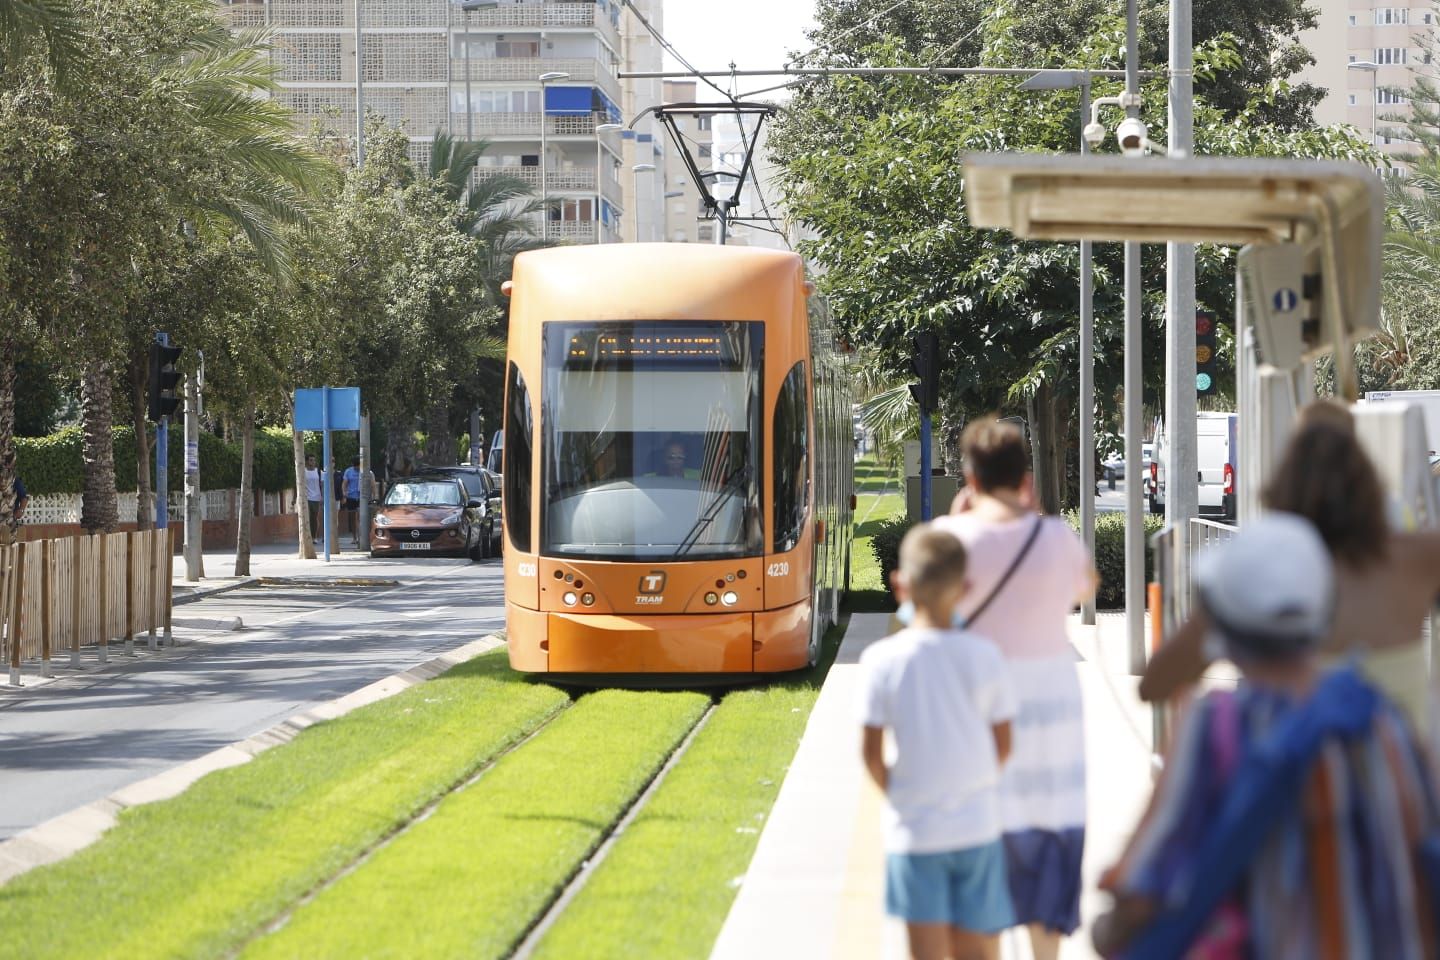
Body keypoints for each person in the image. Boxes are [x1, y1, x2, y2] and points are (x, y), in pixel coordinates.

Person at [1094, 513, 1440, 958]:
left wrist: (1110, 929)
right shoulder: (1384, 721)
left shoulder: (1213, 726)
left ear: (1221, 624)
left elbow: (1140, 891)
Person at [1141, 400, 1440, 734]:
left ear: (1285, 478)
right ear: (1366, 474)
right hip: (1398, 782)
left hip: (1289, 780)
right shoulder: (1421, 556)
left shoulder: (1255, 569)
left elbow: (1153, 685)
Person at [932, 416, 1096, 960]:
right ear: (1024, 477)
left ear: (971, 479)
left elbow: (929, 614)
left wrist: (961, 518)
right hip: (1053, 718)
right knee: (1045, 845)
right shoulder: (1053, 536)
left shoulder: (955, 539)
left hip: (978, 715)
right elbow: (1084, 586)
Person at [857, 524, 1018, 960]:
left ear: (899, 584)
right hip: (978, 829)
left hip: (915, 835)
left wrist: (904, 796)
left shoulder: (880, 662)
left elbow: (871, 754)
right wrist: (974, 784)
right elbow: (1004, 744)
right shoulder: (986, 656)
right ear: (965, 588)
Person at [303, 455, 323, 542]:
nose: (312, 462)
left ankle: (314, 537)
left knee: (314, 518)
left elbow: (321, 485)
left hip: (316, 497)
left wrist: (322, 496)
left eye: (314, 460)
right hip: (306, 497)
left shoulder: (318, 471)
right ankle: (307, 537)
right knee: (307, 517)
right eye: (311, 460)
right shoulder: (303, 471)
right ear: (307, 461)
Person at [342, 456, 361, 544]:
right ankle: (354, 537)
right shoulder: (348, 471)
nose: (357, 467)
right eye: (355, 466)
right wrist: (344, 493)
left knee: (361, 518)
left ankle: (362, 537)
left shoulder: (364, 471)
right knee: (353, 518)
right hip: (351, 497)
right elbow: (345, 483)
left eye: (358, 465)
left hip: (361, 498)